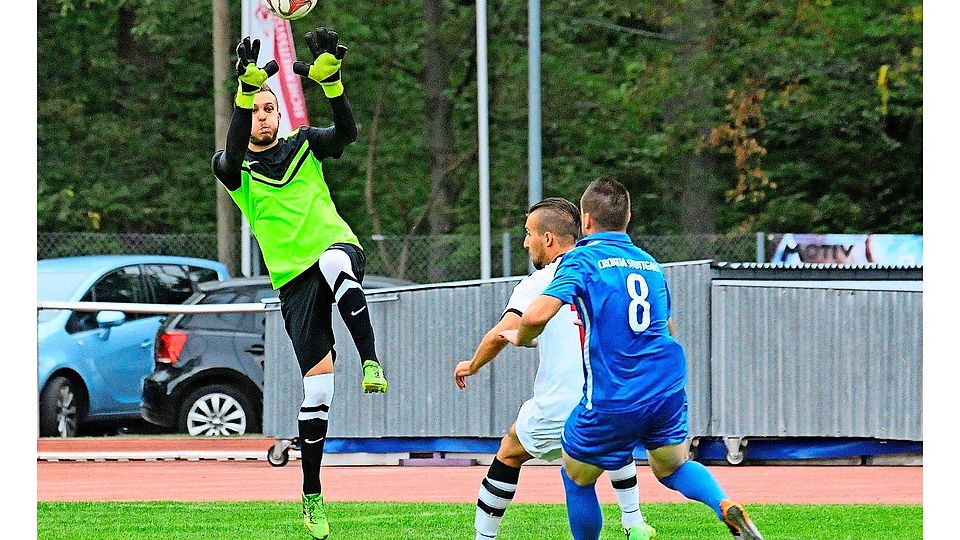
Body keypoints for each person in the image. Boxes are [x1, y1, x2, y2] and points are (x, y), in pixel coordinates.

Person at [501, 178, 764, 540]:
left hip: (615, 394)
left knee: (576, 476)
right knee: (673, 468)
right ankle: (724, 505)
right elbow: (667, 327)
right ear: (629, 218)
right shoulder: (648, 263)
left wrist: (520, 336)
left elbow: (534, 317)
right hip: (666, 387)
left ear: (587, 220)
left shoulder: (581, 258)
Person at [211, 29, 388, 540]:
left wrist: (333, 85)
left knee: (336, 263)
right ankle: (312, 496)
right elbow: (231, 143)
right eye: (256, 108)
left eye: (271, 108)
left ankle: (371, 360)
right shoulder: (234, 169)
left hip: (335, 247)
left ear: (281, 115)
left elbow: (347, 134)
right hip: (293, 284)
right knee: (319, 391)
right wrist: (244, 93)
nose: (265, 116)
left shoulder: (304, 145)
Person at [454, 198, 656, 540]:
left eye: (528, 233)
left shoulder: (540, 282)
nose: (524, 242)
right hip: (612, 395)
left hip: (560, 404)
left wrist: (471, 365)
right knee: (610, 442)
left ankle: (482, 538)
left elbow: (502, 333)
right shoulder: (604, 273)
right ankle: (634, 521)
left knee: (510, 450)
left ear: (548, 239)